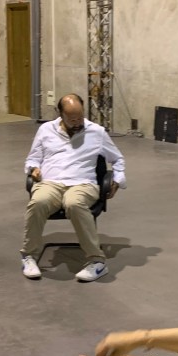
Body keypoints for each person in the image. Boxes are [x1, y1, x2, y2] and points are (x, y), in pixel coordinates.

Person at [21, 93, 126, 282]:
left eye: (80, 117)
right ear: (60, 114)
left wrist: (117, 179)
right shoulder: (46, 129)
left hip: (83, 183)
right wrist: (34, 168)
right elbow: (33, 157)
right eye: (72, 119)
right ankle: (28, 256)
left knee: (74, 203)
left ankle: (97, 262)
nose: (77, 122)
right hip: (51, 181)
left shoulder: (97, 132)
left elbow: (117, 158)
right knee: (38, 201)